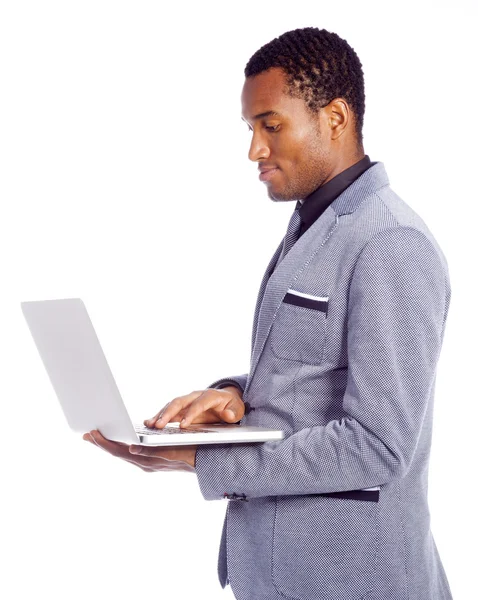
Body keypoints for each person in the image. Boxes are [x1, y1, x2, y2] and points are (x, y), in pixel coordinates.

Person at [84, 26, 454, 600]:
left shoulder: (391, 243)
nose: (255, 149)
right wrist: (233, 395)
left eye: (270, 126)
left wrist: (205, 463)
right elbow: (310, 372)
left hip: (355, 581)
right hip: (283, 573)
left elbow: (378, 445)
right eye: (251, 128)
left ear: (335, 117)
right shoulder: (315, 222)